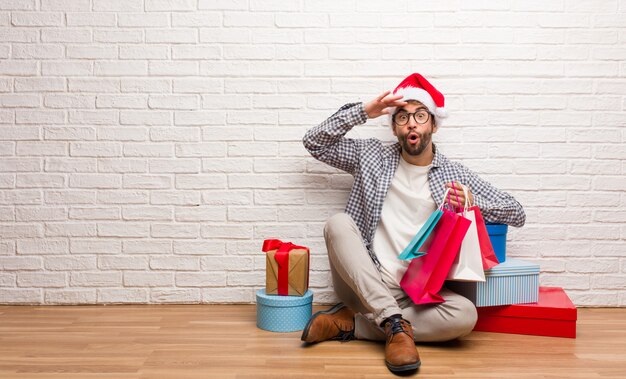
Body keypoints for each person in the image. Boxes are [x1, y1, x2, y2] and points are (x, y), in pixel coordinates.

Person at [299, 73, 526, 374]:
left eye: (420, 115)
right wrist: (364, 111)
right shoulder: (371, 156)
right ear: (394, 127)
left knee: (465, 315)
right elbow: (314, 142)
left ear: (433, 124)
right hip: (364, 282)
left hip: (415, 293)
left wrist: (473, 200)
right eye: (403, 116)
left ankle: (355, 324)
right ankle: (393, 324)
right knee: (338, 223)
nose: (411, 123)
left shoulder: (453, 175)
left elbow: (517, 212)